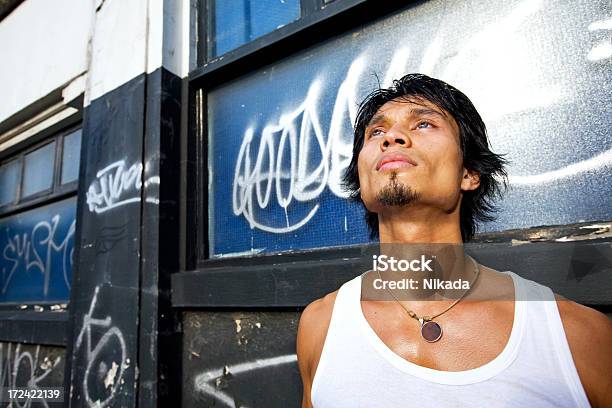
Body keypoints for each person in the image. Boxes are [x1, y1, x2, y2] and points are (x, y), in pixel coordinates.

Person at [296, 74, 612, 408]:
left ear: (469, 173)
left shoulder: (573, 335)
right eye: (376, 132)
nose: (392, 137)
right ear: (361, 180)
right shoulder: (321, 325)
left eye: (423, 124)